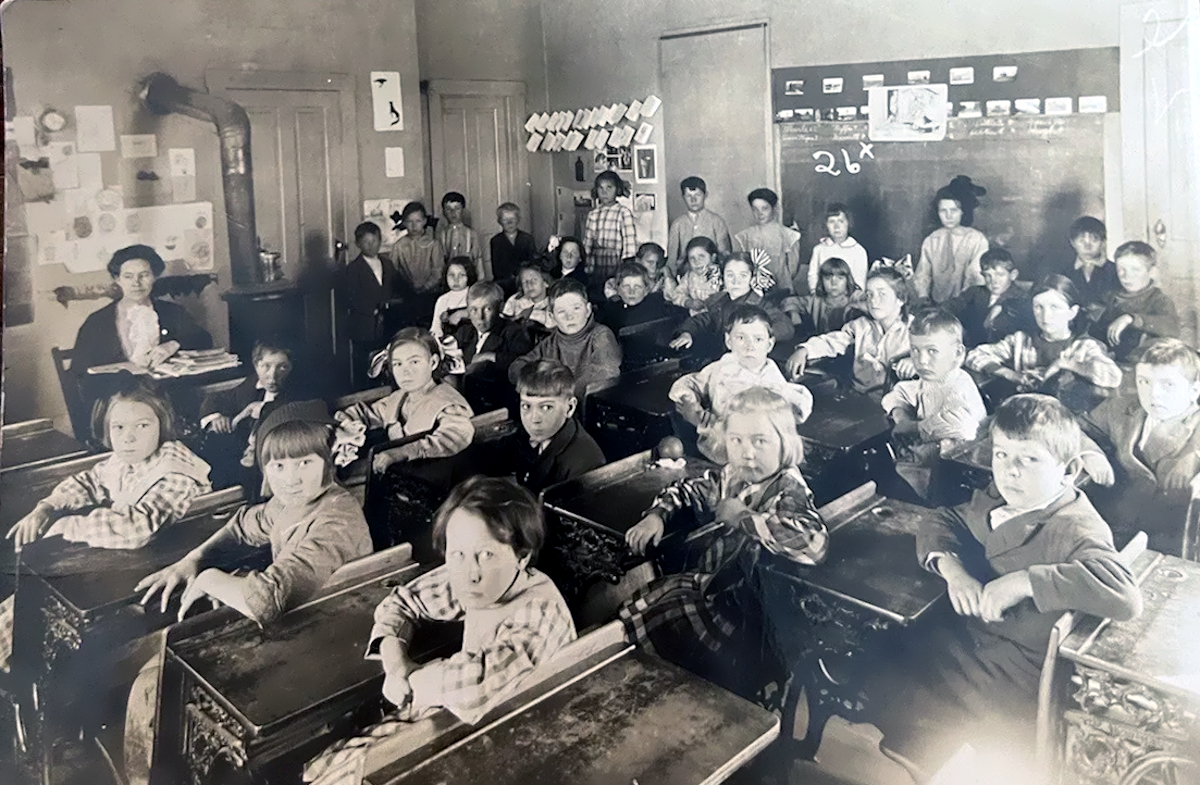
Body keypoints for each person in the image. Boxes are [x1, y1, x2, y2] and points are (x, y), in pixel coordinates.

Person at [867, 394, 1141, 778]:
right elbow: (943, 519)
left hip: (1013, 676)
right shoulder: (1002, 496)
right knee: (885, 645)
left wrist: (1025, 581)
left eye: (1029, 460)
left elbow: (1125, 594)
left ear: (1069, 469)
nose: (1011, 471)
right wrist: (953, 570)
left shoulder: (1075, 525)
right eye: (1001, 455)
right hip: (982, 645)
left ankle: (931, 758)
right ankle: (922, 751)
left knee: (884, 661)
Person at [302, 477, 576, 785]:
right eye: (458, 554)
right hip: (455, 719)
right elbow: (401, 602)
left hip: (520, 743)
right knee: (326, 768)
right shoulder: (483, 578)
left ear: (521, 555)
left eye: (486, 555)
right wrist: (396, 663)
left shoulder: (539, 611)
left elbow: (474, 689)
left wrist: (412, 681)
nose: (470, 573)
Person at [622, 387, 829, 703]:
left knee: (665, 615)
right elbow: (689, 489)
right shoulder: (733, 475)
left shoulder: (789, 490)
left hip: (754, 618)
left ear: (785, 443)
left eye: (760, 441)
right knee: (648, 605)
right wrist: (657, 516)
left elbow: (813, 543)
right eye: (736, 440)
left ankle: (684, 694)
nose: (747, 453)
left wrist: (743, 517)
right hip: (719, 588)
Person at [1, 378, 213, 671]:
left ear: (162, 425)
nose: (128, 438)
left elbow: (136, 529)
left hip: (162, 577)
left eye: (142, 426)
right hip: (130, 565)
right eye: (119, 427)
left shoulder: (176, 471)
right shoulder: (125, 461)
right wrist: (47, 507)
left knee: (39, 610)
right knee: (26, 603)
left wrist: (68, 526)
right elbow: (89, 480)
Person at [136, 400, 372, 625]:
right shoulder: (289, 502)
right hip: (309, 611)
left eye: (304, 463)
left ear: (328, 461)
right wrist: (194, 559)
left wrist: (209, 579)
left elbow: (267, 600)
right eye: (279, 466)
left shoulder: (338, 519)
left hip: (343, 619)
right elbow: (242, 528)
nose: (291, 479)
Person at [1082, 338, 1200, 555]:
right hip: (1110, 526)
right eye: (1144, 382)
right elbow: (1075, 429)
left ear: (1194, 391)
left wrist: (1194, 455)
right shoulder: (1121, 408)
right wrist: (1090, 453)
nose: (1153, 394)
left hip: (1166, 544)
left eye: (1168, 385)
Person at [71, 245, 213, 406]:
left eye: (144, 275)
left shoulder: (172, 312)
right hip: (116, 403)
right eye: (128, 276)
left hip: (169, 399)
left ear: (155, 277)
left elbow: (204, 339)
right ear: (117, 279)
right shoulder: (97, 322)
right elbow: (80, 373)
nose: (136, 283)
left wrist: (172, 345)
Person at [671, 305, 813, 463]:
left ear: (769, 345)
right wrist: (689, 401)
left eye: (758, 339)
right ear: (728, 341)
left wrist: (701, 420)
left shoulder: (771, 381)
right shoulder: (721, 367)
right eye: (740, 338)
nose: (749, 346)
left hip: (753, 454)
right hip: (716, 448)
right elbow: (692, 382)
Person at [966, 275, 1122, 410]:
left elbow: (1113, 376)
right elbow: (975, 355)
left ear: (1072, 312)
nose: (1046, 316)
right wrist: (1012, 375)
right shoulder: (1021, 341)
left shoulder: (1084, 346)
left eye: (1055, 307)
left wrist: (1064, 363)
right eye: (1038, 307)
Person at [882, 310, 987, 499]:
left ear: (957, 353)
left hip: (954, 475)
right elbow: (900, 392)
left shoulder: (958, 384)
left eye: (932, 351)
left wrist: (913, 427)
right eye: (915, 350)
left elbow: (962, 426)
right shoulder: (933, 378)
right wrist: (901, 416)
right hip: (926, 464)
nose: (921, 361)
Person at [339, 328, 475, 474]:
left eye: (414, 362)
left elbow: (454, 436)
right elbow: (367, 413)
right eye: (398, 364)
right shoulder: (399, 398)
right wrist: (344, 423)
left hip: (436, 476)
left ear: (433, 363)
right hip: (403, 473)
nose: (405, 372)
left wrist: (401, 453)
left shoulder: (447, 401)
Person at [787, 266, 912, 396]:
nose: (873, 300)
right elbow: (833, 340)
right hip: (859, 397)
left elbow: (927, 357)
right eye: (869, 294)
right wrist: (804, 350)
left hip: (896, 401)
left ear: (900, 299)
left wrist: (914, 362)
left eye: (882, 294)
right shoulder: (861, 326)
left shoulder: (915, 330)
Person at [198, 337, 304, 489]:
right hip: (241, 457)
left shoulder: (298, 390)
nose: (272, 375)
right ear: (256, 365)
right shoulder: (252, 383)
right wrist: (216, 416)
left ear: (292, 367)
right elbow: (217, 398)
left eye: (282, 367)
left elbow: (295, 409)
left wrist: (262, 408)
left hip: (271, 463)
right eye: (265, 366)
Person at [498, 360, 606, 492]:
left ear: (569, 407)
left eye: (546, 407)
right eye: (526, 406)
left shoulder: (585, 463)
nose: (534, 418)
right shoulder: (527, 434)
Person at [507, 277, 622, 398]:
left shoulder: (601, 335)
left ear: (588, 310)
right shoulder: (550, 343)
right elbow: (516, 367)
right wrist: (540, 384)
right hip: (556, 401)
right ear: (552, 316)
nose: (569, 317)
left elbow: (606, 370)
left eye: (576, 308)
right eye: (561, 312)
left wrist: (563, 394)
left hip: (585, 404)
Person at [670, 252, 794, 359]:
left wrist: (755, 335)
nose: (736, 281)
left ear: (752, 278)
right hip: (721, 360)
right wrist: (687, 333)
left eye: (743, 275)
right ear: (722, 277)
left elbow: (786, 327)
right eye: (730, 275)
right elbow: (702, 320)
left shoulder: (761, 305)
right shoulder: (719, 302)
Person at [1091, 241, 1179, 363]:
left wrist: (1131, 318)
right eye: (1121, 269)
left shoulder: (1159, 299)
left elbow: (1172, 327)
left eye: (1135, 269)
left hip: (1144, 364)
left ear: (1151, 272)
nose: (1127, 276)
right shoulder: (1110, 298)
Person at [914, 175, 989, 304]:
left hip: (966, 303)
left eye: (954, 210)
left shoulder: (976, 239)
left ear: (963, 211)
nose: (948, 216)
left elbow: (975, 276)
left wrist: (959, 304)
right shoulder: (932, 240)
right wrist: (923, 297)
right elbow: (923, 274)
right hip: (935, 303)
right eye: (943, 211)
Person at [344, 222, 402, 387]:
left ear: (380, 240)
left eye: (375, 241)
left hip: (387, 322)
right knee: (365, 362)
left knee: (386, 358)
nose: (371, 245)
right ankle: (364, 390)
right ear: (358, 244)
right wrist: (373, 310)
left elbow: (396, 287)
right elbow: (351, 297)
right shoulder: (353, 269)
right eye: (366, 242)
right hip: (364, 325)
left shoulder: (387, 264)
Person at [944, 247, 1033, 348]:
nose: (994, 281)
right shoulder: (975, 292)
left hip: (1000, 350)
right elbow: (952, 306)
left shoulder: (1022, 298)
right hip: (969, 346)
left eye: (1000, 275)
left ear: (1013, 275)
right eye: (988, 275)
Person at [449, 282, 535, 383]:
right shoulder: (465, 331)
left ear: (501, 308)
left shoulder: (513, 332)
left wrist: (491, 356)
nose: (480, 317)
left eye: (487, 309)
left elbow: (522, 361)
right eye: (474, 310)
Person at [733, 188, 802, 304]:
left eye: (764, 208)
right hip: (754, 291)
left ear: (774, 208)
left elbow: (793, 266)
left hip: (782, 289)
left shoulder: (787, 234)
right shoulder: (746, 236)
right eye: (755, 209)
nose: (760, 213)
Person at [392, 202, 445, 321]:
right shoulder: (398, 246)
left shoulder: (433, 244)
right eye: (409, 221)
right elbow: (393, 271)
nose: (414, 225)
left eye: (418, 221)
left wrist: (425, 287)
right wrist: (406, 288)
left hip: (430, 295)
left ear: (424, 221)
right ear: (404, 223)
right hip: (407, 296)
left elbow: (438, 271)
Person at [665, 176, 732, 269]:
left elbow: (725, 254)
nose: (693, 200)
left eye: (698, 195)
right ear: (683, 197)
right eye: (689, 196)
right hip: (686, 272)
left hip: (711, 271)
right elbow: (672, 259)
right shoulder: (677, 224)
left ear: (705, 195)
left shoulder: (717, 221)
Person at [582, 171, 638, 281]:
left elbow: (629, 243)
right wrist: (585, 261)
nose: (604, 192)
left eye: (609, 187)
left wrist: (626, 266)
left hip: (616, 262)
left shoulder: (623, 213)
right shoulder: (593, 214)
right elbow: (587, 242)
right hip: (596, 263)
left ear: (617, 190)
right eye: (601, 188)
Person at [597, 261, 683, 332]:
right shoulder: (610, 311)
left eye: (637, 287)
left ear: (646, 290)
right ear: (618, 289)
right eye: (626, 286)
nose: (631, 292)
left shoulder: (656, 306)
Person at [795, 256, 867, 337]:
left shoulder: (855, 296)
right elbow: (792, 302)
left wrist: (858, 306)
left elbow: (869, 302)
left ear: (847, 280)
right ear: (821, 281)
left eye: (840, 278)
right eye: (828, 278)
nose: (834, 283)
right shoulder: (817, 300)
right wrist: (794, 314)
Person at [1063, 216, 1118, 317]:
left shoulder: (1116, 271)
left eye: (1094, 240)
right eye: (1081, 240)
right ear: (1072, 242)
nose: (1087, 246)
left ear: (1103, 242)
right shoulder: (1063, 272)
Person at [807, 203, 869, 293]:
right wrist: (815, 294)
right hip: (823, 296)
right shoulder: (819, 249)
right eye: (831, 222)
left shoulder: (858, 251)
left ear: (848, 223)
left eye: (841, 221)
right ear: (826, 225)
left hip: (849, 297)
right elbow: (813, 276)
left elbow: (860, 281)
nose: (836, 227)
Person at [435, 191, 488, 281]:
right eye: (448, 209)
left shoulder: (471, 234)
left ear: (463, 209)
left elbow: (477, 259)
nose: (453, 213)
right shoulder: (441, 235)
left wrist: (480, 280)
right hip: (449, 277)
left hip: (468, 277)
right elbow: (439, 261)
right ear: (444, 212)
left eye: (457, 208)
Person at [664, 236, 723, 315]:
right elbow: (676, 294)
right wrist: (689, 302)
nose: (697, 262)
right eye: (692, 258)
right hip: (696, 319)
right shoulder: (689, 277)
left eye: (701, 257)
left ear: (713, 257)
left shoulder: (720, 275)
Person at [489, 203, 538, 293]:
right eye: (505, 219)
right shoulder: (496, 241)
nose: (510, 223)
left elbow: (533, 263)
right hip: (504, 283)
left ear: (518, 219)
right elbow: (497, 269)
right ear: (499, 221)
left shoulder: (527, 239)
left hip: (525, 281)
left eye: (513, 219)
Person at [430, 257, 476, 340]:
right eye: (451, 275)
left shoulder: (475, 295)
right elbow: (435, 327)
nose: (456, 280)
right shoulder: (442, 300)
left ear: (469, 276)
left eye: (461, 275)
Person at [501, 264, 555, 330]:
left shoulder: (554, 302)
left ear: (546, 283)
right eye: (525, 282)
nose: (529, 284)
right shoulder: (514, 300)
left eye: (534, 280)